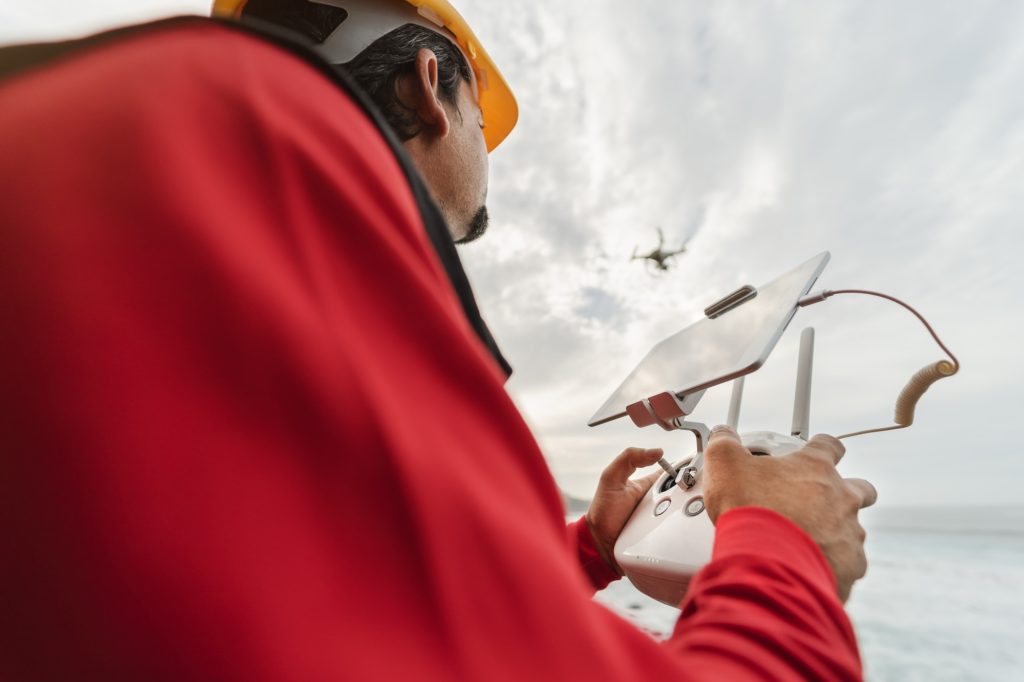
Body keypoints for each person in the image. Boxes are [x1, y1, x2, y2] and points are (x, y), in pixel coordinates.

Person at [0, 1, 876, 679]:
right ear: (429, 85)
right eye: (485, 128)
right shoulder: (281, 195)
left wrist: (576, 553)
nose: (487, 160)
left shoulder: (125, 146)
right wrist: (782, 540)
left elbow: (330, 608)